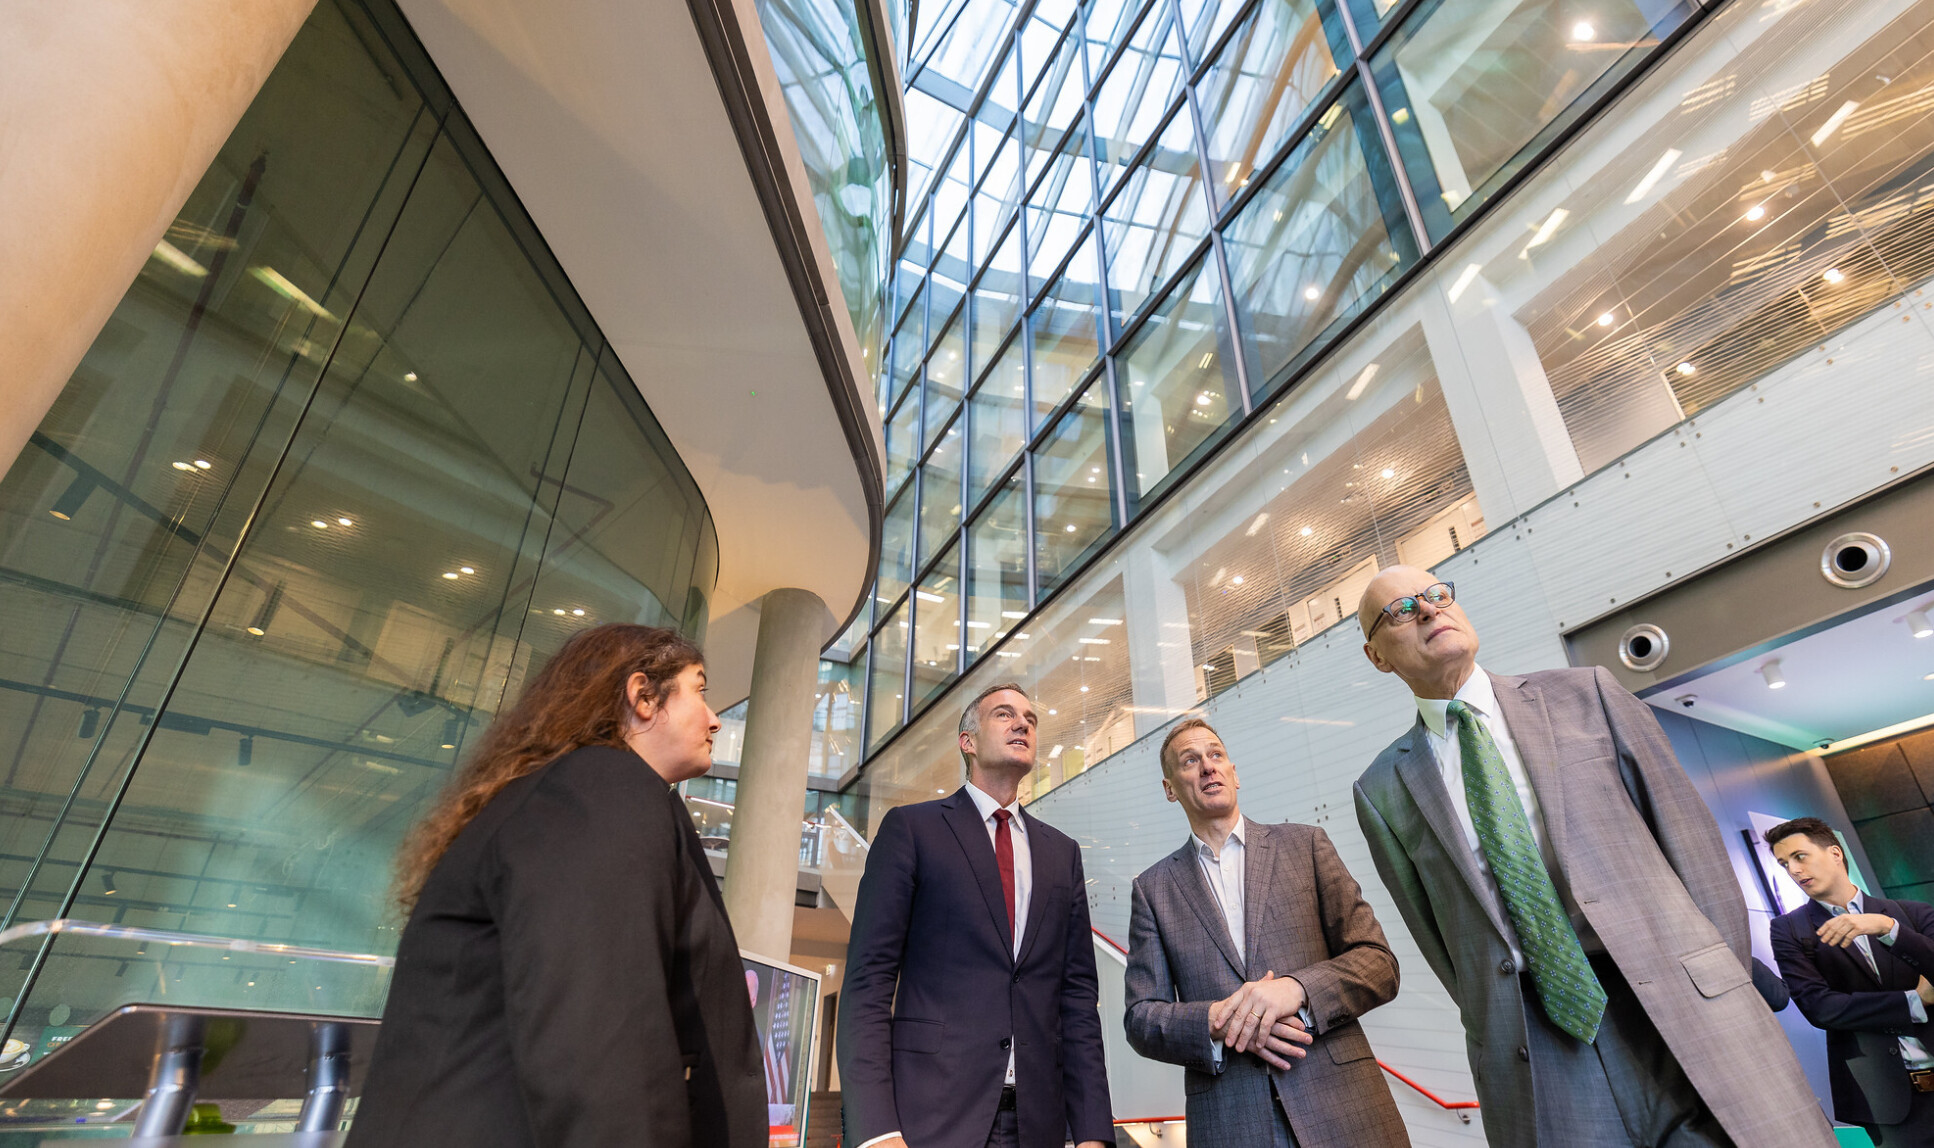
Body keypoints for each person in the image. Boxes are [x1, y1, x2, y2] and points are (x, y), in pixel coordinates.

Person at [1349, 566, 1833, 1148]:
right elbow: (1439, 937)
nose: (1429, 610)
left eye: (1437, 594)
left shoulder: (1588, 694)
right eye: (1402, 609)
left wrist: (1719, 983)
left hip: (1679, 1008)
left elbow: (1692, 846)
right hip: (1543, 1043)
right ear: (1377, 656)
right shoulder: (1382, 787)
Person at [348, 624, 764, 1148]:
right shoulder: (603, 786)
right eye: (699, 690)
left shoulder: (571, 796)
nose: (714, 718)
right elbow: (602, 1044)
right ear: (641, 696)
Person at [838, 683, 1113, 1148]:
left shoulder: (1062, 853)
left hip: (1039, 1125)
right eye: (1004, 714)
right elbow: (868, 983)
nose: (1022, 723)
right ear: (967, 742)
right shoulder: (912, 830)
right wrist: (876, 1130)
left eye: (1030, 718)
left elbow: (1078, 1000)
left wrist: (1092, 1133)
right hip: (929, 1120)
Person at [1124, 718, 1408, 1147]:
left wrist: (1297, 989)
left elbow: (1378, 963)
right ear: (1170, 789)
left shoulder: (1306, 845)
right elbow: (1141, 1017)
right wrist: (1219, 1021)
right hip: (1231, 1119)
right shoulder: (1152, 889)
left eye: (1216, 755)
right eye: (1190, 760)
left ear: (1234, 773)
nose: (1207, 767)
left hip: (1344, 1108)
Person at [1766, 816, 1934, 1146]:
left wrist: (1889, 929)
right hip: (1887, 1099)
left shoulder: (1911, 914)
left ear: (1835, 853)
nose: (1794, 871)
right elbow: (1822, 1009)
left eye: (1800, 857)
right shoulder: (1789, 931)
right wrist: (1915, 1000)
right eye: (1784, 864)